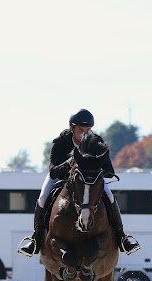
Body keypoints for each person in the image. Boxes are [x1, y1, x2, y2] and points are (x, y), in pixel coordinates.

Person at [17, 108, 140, 257]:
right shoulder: (61, 142)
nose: (85, 133)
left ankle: (122, 237)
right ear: (72, 128)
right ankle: (35, 239)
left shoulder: (97, 142)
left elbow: (108, 169)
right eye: (81, 129)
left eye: (88, 129)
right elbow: (54, 170)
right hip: (61, 178)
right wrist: (70, 162)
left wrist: (97, 167)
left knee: (110, 195)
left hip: (90, 180)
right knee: (43, 198)